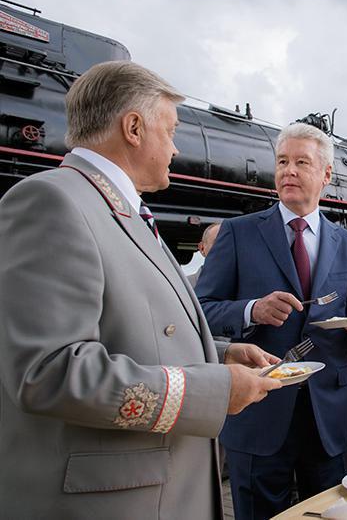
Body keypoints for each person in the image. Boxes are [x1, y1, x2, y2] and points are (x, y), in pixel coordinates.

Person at [0, 61, 282, 519]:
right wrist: (212, 390)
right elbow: (49, 371)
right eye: (170, 131)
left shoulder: (117, 209)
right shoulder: (52, 201)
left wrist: (221, 354)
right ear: (133, 128)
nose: (175, 147)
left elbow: (137, 329)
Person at [197, 122, 347, 518]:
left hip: (327, 417)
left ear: (326, 174)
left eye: (301, 162)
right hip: (257, 409)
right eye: (282, 162)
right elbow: (201, 310)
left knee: (330, 513)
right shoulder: (238, 233)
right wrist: (251, 310)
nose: (289, 171)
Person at [188, 221, 222, 286]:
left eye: (230, 243)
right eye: (218, 242)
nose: (225, 248)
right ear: (202, 248)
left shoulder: (242, 288)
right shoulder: (182, 286)